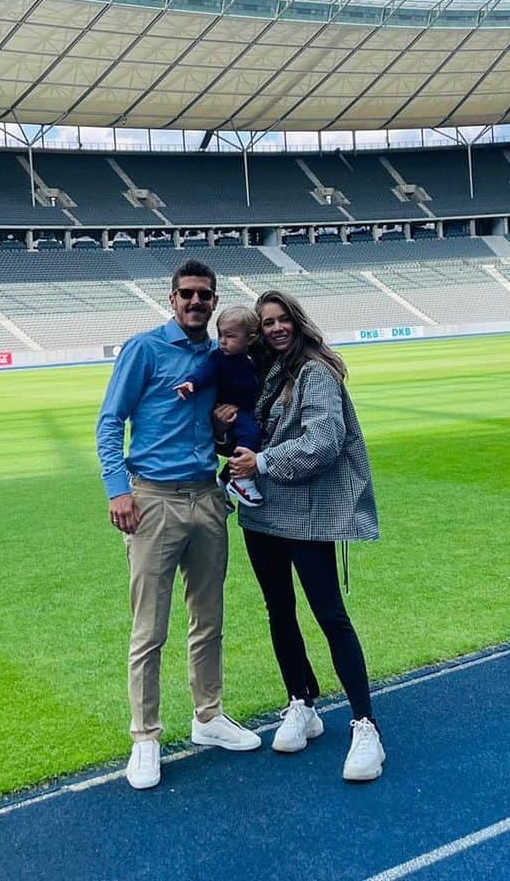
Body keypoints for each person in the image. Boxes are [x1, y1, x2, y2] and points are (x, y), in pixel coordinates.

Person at [96, 260, 261, 791]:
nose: (196, 302)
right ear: (172, 300)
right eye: (187, 294)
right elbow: (109, 421)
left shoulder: (218, 357)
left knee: (208, 618)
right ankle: (145, 736)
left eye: (205, 296)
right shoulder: (144, 350)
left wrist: (225, 420)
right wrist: (118, 489)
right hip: (153, 500)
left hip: (207, 496)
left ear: (215, 302)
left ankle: (208, 717)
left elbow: (229, 407)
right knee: (150, 628)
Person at [226, 289, 384, 782]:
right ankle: (301, 701)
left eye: (281, 320)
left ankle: (365, 725)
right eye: (266, 322)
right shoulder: (261, 372)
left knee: (330, 616)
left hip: (307, 515)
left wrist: (263, 462)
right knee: (279, 610)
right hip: (263, 515)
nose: (275, 329)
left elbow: (325, 440)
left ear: (296, 321)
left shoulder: (315, 371)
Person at [174, 304, 264, 508]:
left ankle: (224, 480)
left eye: (230, 336)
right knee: (251, 434)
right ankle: (241, 479)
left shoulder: (251, 358)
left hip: (246, 409)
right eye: (221, 335)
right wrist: (191, 383)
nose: (222, 341)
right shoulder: (220, 358)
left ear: (250, 338)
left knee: (253, 440)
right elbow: (206, 372)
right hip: (233, 411)